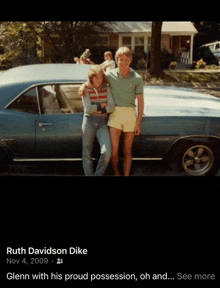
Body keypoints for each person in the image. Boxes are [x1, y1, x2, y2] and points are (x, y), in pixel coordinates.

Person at [79, 47, 144, 176]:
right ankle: (116, 172)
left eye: (126, 59)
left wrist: (138, 123)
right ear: (116, 60)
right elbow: (94, 79)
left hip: (130, 114)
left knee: (127, 150)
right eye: (120, 59)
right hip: (114, 115)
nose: (123, 62)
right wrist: (83, 85)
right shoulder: (109, 75)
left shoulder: (137, 78)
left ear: (130, 60)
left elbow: (141, 102)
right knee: (114, 151)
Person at [81, 65, 115, 176]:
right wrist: (101, 106)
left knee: (106, 152)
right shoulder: (85, 89)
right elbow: (88, 108)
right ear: (91, 78)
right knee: (87, 153)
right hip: (88, 120)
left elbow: (111, 106)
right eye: (96, 77)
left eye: (101, 77)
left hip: (102, 121)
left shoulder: (107, 88)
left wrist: (99, 109)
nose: (99, 79)